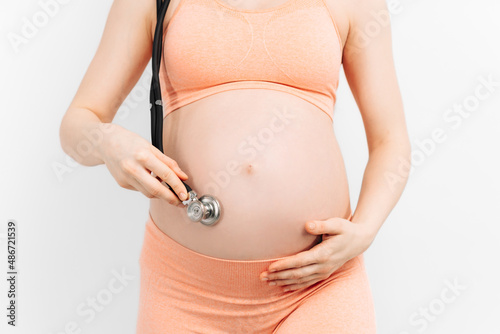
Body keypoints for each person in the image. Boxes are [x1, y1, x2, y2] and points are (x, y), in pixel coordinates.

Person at [59, 0, 411, 332]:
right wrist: (107, 142)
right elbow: (77, 124)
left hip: (319, 286)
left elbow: (390, 140)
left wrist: (366, 229)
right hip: (184, 290)